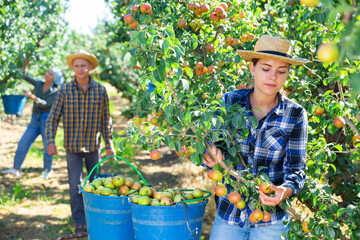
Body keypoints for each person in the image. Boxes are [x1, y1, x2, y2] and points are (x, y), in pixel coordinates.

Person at [203, 35, 309, 240]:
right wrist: (209, 156)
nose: (273, 77)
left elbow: (296, 169)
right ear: (252, 67)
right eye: (266, 68)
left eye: (281, 71)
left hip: (271, 221)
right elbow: (212, 145)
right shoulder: (229, 102)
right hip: (229, 214)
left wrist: (284, 190)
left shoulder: (295, 114)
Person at [45, 50, 115, 234]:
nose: (80, 69)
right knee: (75, 185)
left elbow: (105, 119)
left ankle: (96, 218)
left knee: (96, 185)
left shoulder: (100, 90)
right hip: (73, 147)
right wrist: (50, 141)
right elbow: (53, 118)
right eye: (76, 66)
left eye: (83, 65)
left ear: (90, 67)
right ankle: (79, 222)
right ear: (72, 68)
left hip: (93, 146)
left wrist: (109, 145)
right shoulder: (65, 90)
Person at [1, 67, 64, 179]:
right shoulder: (39, 83)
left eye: (50, 74)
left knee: (48, 145)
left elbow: (45, 104)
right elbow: (26, 77)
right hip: (35, 118)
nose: (46, 74)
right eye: (47, 72)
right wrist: (24, 66)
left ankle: (47, 170)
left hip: (47, 119)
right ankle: (16, 168)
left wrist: (32, 97)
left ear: (54, 79)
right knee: (23, 142)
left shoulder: (55, 92)